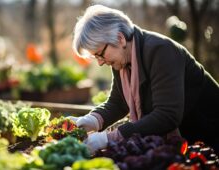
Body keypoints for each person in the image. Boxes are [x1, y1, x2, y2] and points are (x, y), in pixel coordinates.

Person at [70, 4, 219, 155]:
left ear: (120, 38)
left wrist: (109, 138)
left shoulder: (161, 51)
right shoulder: (121, 59)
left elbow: (167, 115)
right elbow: (118, 102)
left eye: (100, 54)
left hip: (209, 139)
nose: (100, 62)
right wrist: (92, 120)